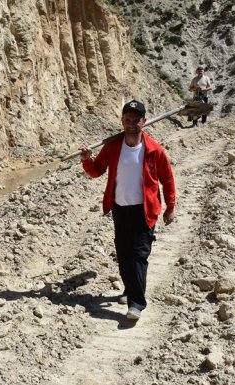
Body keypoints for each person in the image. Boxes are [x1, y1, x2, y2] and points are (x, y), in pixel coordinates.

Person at [79, 99, 176, 321]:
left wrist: (170, 207)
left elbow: (167, 180)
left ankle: (136, 304)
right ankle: (130, 289)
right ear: (122, 121)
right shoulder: (113, 147)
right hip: (120, 209)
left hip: (145, 211)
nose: (131, 123)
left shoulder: (154, 150)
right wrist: (87, 160)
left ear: (144, 121)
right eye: (127, 119)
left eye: (136, 120)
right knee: (123, 255)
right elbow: (96, 171)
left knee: (139, 255)